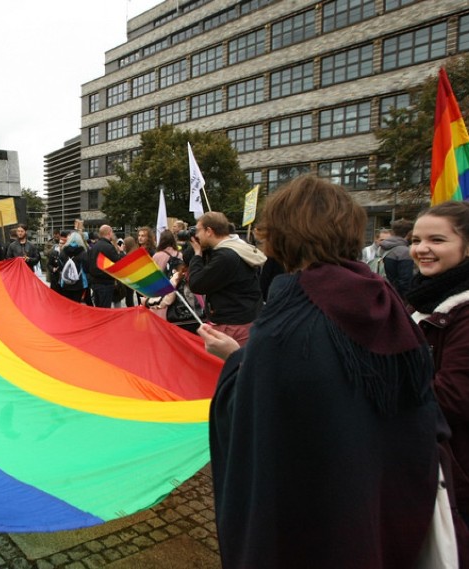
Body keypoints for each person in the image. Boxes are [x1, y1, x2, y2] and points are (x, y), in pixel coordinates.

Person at [199, 176, 442, 568]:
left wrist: (236, 361)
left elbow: (252, 417)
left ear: (282, 236)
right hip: (380, 500)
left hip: (316, 513)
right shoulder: (384, 297)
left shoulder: (288, 319)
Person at [408, 201, 469, 532]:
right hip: (431, 463)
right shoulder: (423, 299)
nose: (421, 249)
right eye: (416, 240)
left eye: (437, 240)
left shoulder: (465, 311)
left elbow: (453, 396)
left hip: (458, 472)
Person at [188, 211, 266, 346]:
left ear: (209, 231)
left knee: (229, 365)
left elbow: (196, 284)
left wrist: (197, 254)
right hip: (246, 318)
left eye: (198, 230)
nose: (196, 235)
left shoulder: (225, 256)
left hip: (233, 326)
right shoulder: (239, 246)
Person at [87, 224, 124, 308]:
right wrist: (121, 253)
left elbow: (89, 264)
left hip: (95, 283)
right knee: (105, 309)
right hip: (106, 283)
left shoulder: (93, 247)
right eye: (112, 232)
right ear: (109, 233)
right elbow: (118, 263)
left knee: (98, 308)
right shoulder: (109, 247)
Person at [382, 218, 415, 300]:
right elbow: (405, 281)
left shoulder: (382, 247)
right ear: (410, 233)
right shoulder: (404, 251)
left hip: (385, 292)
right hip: (399, 297)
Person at [58, 231, 89, 303]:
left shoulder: (63, 252)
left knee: (67, 304)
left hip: (65, 283)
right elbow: (86, 268)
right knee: (77, 305)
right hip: (79, 283)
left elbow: (60, 267)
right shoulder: (83, 252)